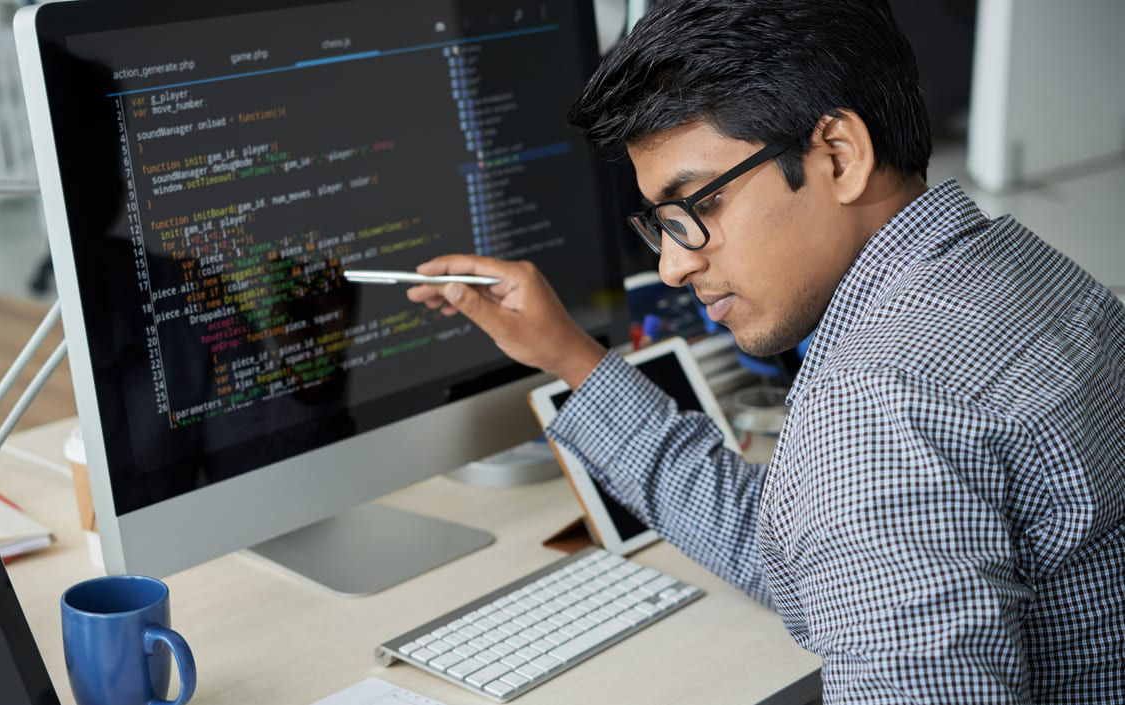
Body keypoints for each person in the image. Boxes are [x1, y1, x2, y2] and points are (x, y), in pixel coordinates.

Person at [406, 0, 1125, 702]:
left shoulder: (876, 406)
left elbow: (863, 496)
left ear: (839, 155)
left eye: (697, 206)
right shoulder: (1024, 272)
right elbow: (815, 550)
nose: (673, 266)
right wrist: (570, 355)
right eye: (661, 225)